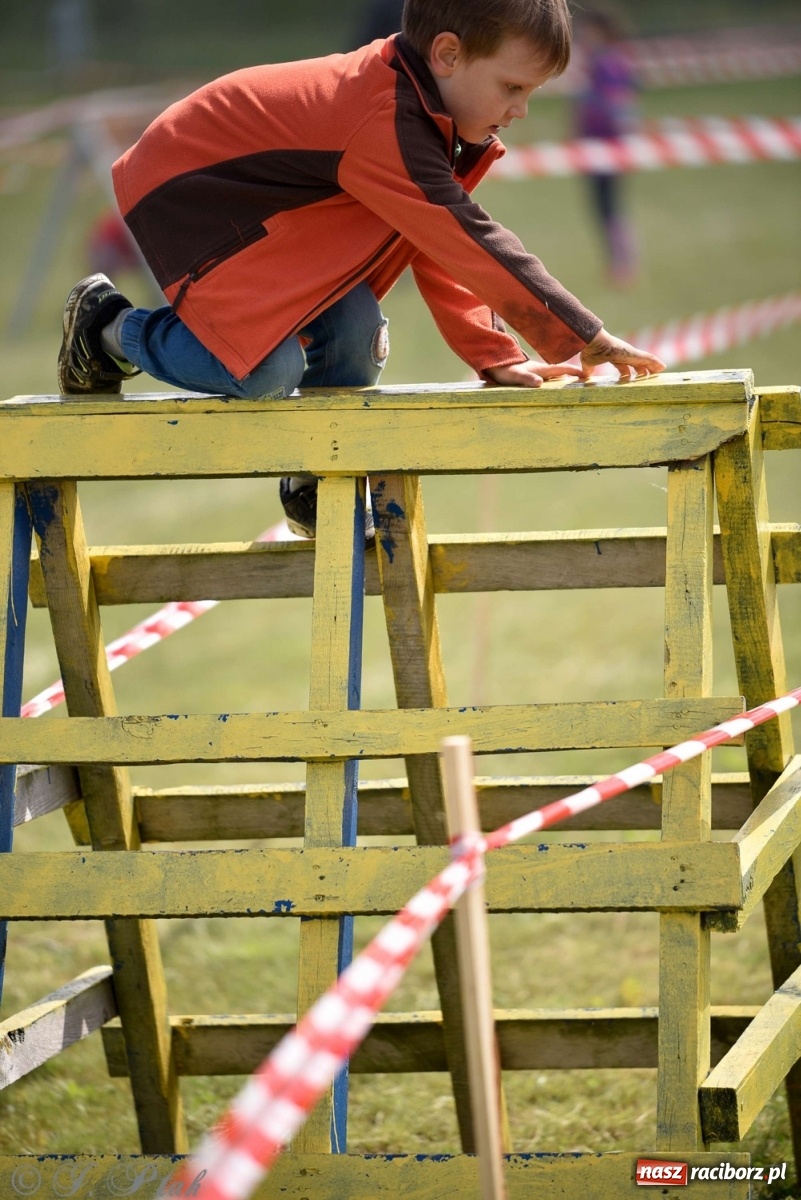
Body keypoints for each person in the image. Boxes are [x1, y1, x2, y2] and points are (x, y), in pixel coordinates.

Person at [57, 0, 664, 539]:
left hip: (279, 209)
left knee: (356, 333)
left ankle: (318, 476)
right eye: (511, 87)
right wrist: (589, 336)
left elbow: (438, 241)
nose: (522, 110)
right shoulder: (383, 118)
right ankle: (108, 327)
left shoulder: (424, 113)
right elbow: (466, 239)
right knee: (264, 369)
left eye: (530, 94)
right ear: (448, 55)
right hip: (196, 192)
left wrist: (494, 354)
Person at [573, 7, 640, 286]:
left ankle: (623, 265)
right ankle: (619, 263)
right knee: (604, 208)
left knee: (609, 206)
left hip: (608, 146)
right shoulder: (600, 61)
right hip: (594, 145)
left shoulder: (610, 63)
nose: (584, 35)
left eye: (588, 30)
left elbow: (619, 104)